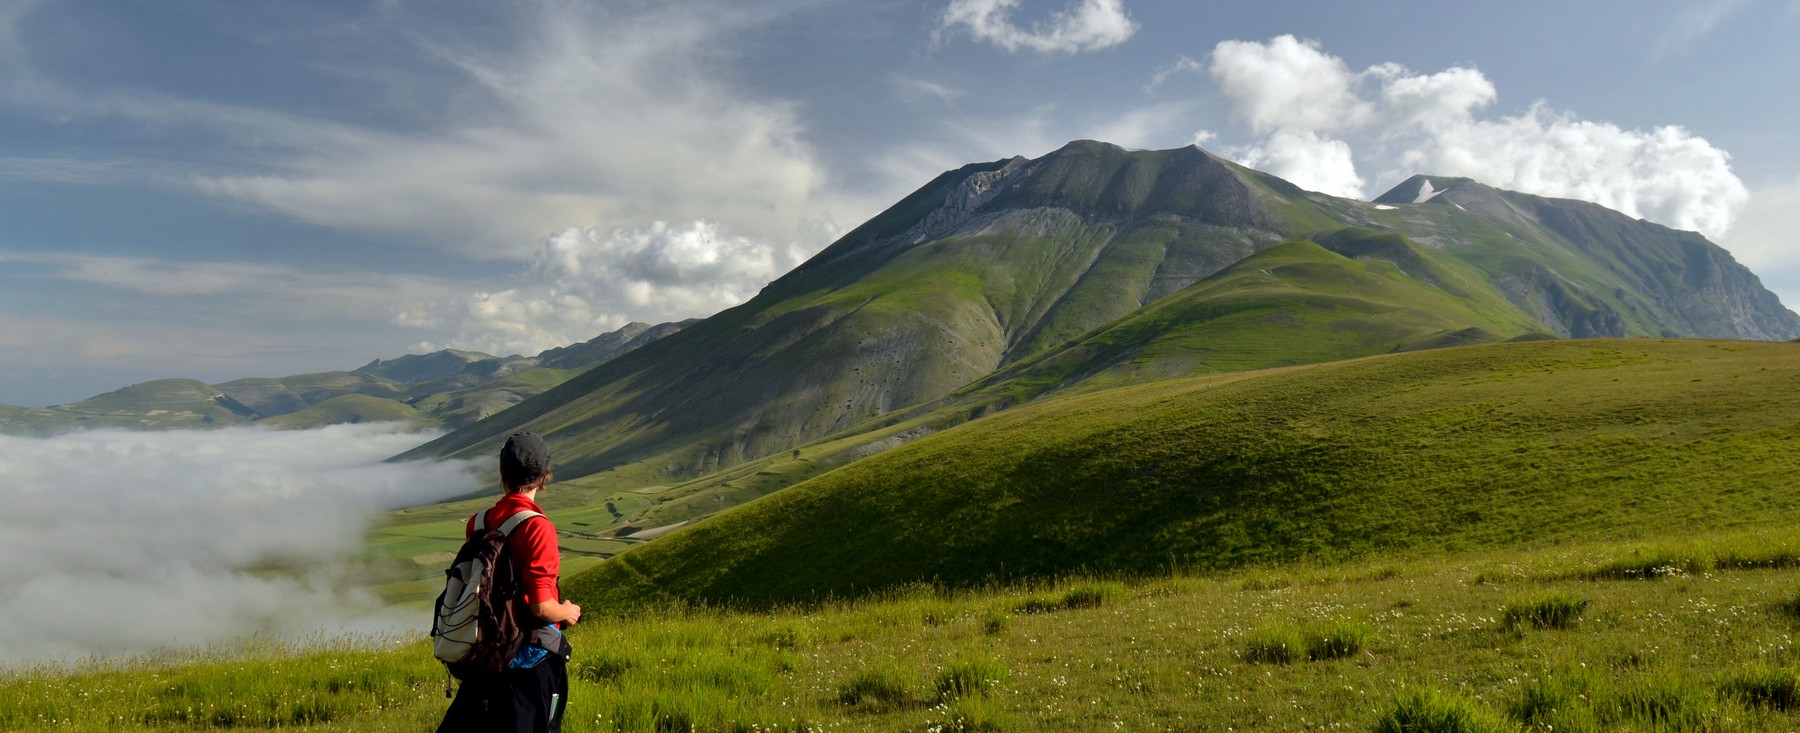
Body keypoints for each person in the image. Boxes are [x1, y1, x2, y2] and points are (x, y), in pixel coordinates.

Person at [437, 432, 582, 733]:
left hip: (482, 655)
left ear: (502, 474)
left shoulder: (477, 523)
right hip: (527, 664)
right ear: (545, 477)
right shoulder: (537, 528)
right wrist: (568, 612)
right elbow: (541, 605)